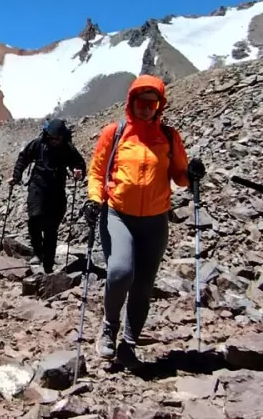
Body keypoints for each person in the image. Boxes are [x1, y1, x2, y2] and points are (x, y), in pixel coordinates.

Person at [84, 75, 205, 364]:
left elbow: (179, 176)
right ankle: (109, 328)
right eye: (141, 101)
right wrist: (94, 199)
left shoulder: (169, 136)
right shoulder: (114, 133)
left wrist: (192, 174)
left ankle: (129, 342)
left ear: (159, 105)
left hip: (155, 219)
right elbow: (97, 173)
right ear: (131, 102)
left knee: (143, 283)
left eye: (152, 103)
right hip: (118, 213)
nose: (146, 108)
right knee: (120, 272)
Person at [9, 117, 86, 273]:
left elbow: (79, 164)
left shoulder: (67, 148)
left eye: (57, 138)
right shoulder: (38, 144)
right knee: (35, 217)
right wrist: (16, 177)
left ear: (62, 137)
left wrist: (78, 172)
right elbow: (23, 158)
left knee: (51, 229)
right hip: (37, 186)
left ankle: (48, 266)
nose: (54, 141)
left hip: (57, 191)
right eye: (51, 138)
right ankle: (38, 251)